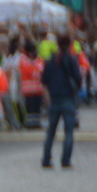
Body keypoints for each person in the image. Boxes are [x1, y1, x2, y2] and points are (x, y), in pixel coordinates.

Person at [41, 33, 82, 170]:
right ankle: (65, 160)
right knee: (69, 132)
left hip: (54, 99)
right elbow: (78, 80)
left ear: (57, 44)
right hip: (68, 98)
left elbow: (44, 81)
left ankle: (46, 159)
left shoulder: (50, 61)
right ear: (70, 45)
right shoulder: (71, 60)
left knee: (51, 131)